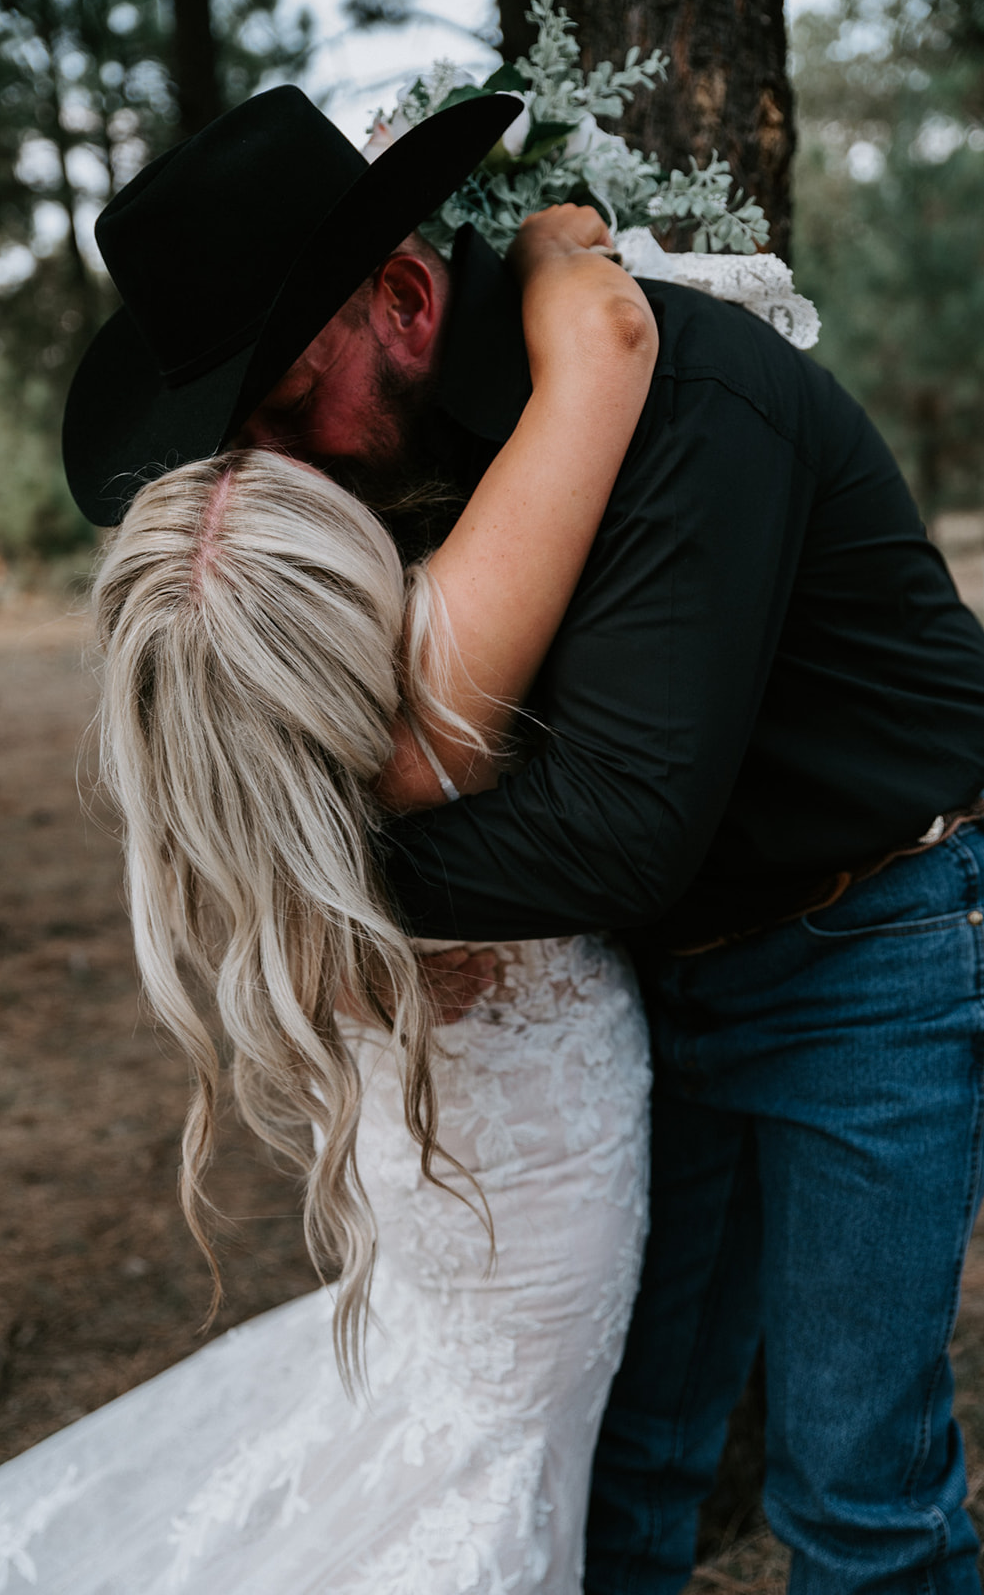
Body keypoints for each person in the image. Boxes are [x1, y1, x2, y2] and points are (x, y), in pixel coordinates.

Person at [55, 84, 984, 1594]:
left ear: (407, 296)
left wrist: (299, 881)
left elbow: (613, 833)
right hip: (653, 986)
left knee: (858, 1493)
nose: (283, 467)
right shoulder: (416, 464)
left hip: (867, 947)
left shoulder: (684, 401)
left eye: (285, 406)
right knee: (624, 1465)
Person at [0, 209, 659, 1592]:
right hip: (521, 1229)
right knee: (480, 1481)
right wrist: (557, 239)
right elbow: (608, 347)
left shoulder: (235, 804)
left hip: (432, 1215)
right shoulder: (433, 713)